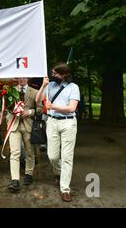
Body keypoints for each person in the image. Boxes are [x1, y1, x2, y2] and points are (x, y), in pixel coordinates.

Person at [36, 63, 80, 202]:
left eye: (55, 73)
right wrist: (43, 85)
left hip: (68, 123)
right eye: (52, 73)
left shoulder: (74, 87)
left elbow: (72, 108)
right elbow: (37, 100)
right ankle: (58, 173)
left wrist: (52, 106)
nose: (52, 75)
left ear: (64, 74)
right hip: (52, 122)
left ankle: (65, 189)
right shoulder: (50, 86)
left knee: (67, 157)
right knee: (53, 156)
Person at [0, 78, 42, 191]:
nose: (21, 79)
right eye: (19, 77)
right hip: (14, 124)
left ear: (28, 78)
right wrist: (12, 110)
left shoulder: (35, 92)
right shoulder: (10, 91)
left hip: (28, 125)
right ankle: (15, 180)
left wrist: (29, 112)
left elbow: (40, 109)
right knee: (15, 152)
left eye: (24, 77)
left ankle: (29, 174)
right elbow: (6, 108)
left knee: (29, 151)